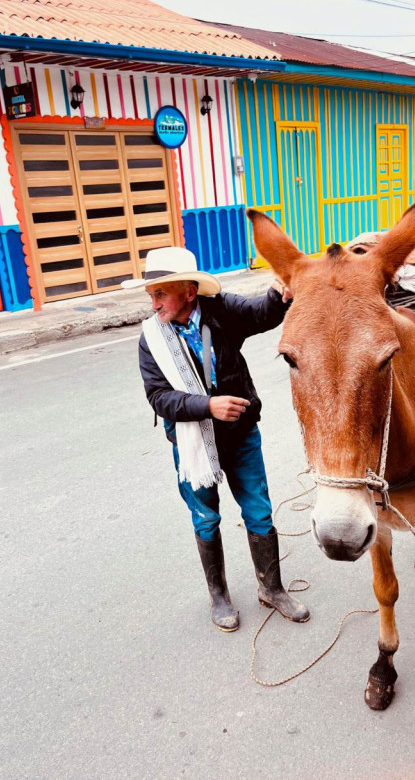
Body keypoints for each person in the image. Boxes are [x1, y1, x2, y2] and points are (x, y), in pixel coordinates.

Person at [123, 246, 309, 632]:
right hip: (192, 445)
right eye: (151, 295)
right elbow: (158, 397)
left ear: (189, 292)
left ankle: (271, 589)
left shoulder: (221, 309)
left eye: (161, 293)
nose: (154, 303)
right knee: (206, 519)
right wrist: (207, 406)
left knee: (259, 511)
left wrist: (280, 296)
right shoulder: (151, 339)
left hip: (241, 434)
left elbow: (261, 313)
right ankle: (219, 596)